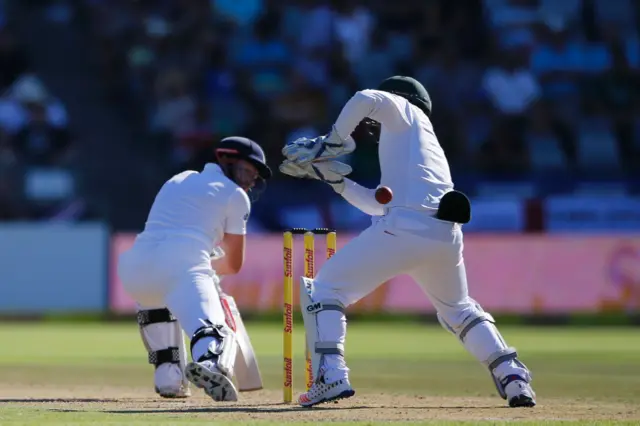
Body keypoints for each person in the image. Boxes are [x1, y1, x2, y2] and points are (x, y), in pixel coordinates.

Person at [280, 76, 536, 408]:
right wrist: (334, 179)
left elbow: (364, 97)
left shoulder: (405, 112)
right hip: (443, 234)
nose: (371, 128)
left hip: (403, 231)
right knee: (458, 310)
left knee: (326, 290)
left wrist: (332, 142)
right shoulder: (417, 147)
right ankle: (513, 376)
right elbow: (378, 205)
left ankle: (331, 374)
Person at [117, 136, 271, 402]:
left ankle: (169, 377)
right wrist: (210, 269)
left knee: (161, 302)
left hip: (134, 269)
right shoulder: (236, 196)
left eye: (255, 177)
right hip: (183, 267)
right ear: (225, 160)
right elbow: (234, 264)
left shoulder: (178, 179)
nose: (250, 181)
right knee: (211, 327)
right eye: (248, 171)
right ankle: (212, 365)